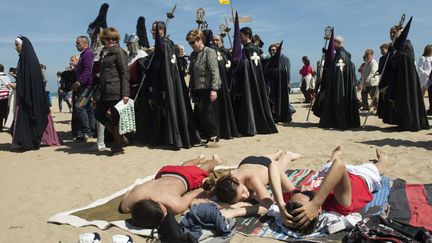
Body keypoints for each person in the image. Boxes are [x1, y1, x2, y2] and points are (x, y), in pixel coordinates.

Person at [269, 146, 387, 231]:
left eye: (300, 190)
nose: (303, 187)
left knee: (328, 166)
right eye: (308, 194)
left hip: (327, 172)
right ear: (318, 209)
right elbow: (340, 166)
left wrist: (280, 205)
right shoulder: (338, 205)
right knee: (379, 168)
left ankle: (333, 156)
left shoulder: (297, 198)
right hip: (361, 176)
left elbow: (273, 165)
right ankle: (383, 159)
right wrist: (315, 203)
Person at [141, 21, 200, 148]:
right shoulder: (167, 44)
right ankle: (164, 137)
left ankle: (172, 138)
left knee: (167, 109)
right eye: (152, 30)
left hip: (165, 84)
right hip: (164, 84)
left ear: (162, 30)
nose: (153, 32)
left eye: (155, 29)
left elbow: (164, 67)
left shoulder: (164, 44)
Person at [120, 155, 221, 229]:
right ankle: (198, 159)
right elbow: (128, 193)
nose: (165, 214)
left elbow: (195, 193)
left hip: (184, 178)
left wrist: (206, 187)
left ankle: (215, 161)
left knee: (202, 169)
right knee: (184, 168)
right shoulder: (126, 205)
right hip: (164, 172)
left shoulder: (174, 204)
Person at [204, 150, 303, 218]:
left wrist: (235, 211)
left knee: (281, 164)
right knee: (264, 157)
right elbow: (209, 192)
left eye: (242, 191)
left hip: (265, 165)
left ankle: (287, 155)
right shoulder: (224, 181)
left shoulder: (251, 177)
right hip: (247, 161)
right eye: (241, 198)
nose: (245, 196)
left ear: (238, 182)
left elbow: (267, 203)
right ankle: (276, 153)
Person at [378, 19, 429, 131]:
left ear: (400, 32)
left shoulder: (406, 44)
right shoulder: (394, 45)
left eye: (394, 32)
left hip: (407, 80)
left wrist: (395, 52)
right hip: (397, 79)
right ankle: (400, 122)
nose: (392, 34)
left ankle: (410, 123)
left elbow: (408, 59)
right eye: (390, 32)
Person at [230, 24, 277, 136]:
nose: (239, 39)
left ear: (247, 36)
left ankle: (251, 127)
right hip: (254, 81)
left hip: (250, 82)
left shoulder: (248, 50)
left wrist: (238, 62)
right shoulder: (255, 49)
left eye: (241, 36)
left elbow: (246, 66)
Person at [93, 27, 130, 156]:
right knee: (98, 114)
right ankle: (120, 137)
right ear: (104, 39)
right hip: (104, 90)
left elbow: (125, 73)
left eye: (114, 38)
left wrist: (125, 93)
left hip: (116, 90)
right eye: (108, 38)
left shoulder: (119, 52)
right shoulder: (103, 52)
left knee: (116, 119)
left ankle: (118, 147)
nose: (111, 41)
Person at [11, 36, 50, 150]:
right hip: (24, 94)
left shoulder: (29, 60)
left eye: (17, 45)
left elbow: (31, 79)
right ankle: (25, 142)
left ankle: (29, 142)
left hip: (29, 95)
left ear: (23, 46)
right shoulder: (23, 59)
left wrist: (20, 86)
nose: (15, 47)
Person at [187, 29, 221, 146]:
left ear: (200, 39)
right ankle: (206, 135)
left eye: (192, 42)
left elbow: (215, 71)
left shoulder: (209, 52)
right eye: (189, 43)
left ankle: (213, 137)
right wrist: (191, 88)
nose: (191, 45)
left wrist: (214, 89)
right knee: (200, 113)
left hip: (208, 88)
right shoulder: (193, 55)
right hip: (197, 89)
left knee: (208, 113)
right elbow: (192, 74)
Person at [318, 35, 360, 129]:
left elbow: (335, 71)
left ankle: (339, 122)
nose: (332, 45)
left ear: (339, 43)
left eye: (334, 43)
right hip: (345, 85)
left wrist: (326, 72)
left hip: (339, 86)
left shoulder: (340, 55)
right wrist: (328, 54)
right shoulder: (344, 54)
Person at [73, 36, 95, 142]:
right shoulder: (84, 54)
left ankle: (87, 132)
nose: (76, 45)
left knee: (79, 106)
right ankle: (92, 130)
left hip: (87, 86)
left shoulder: (88, 54)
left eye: (78, 43)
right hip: (84, 86)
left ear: (85, 43)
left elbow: (88, 70)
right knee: (88, 108)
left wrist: (79, 81)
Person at [264, 42, 293, 124]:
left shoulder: (283, 60)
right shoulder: (268, 61)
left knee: (281, 101)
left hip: (280, 84)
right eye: (270, 50)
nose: (272, 51)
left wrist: (288, 82)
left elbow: (286, 72)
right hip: (270, 85)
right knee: (272, 102)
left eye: (273, 50)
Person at [417, 45, 432, 114]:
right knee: (421, 95)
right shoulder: (423, 58)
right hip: (425, 79)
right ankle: (419, 108)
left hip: (431, 79)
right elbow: (419, 68)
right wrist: (427, 74)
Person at [0, 64, 12, 131]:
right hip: (6, 96)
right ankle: (3, 126)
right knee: (4, 111)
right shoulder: (7, 77)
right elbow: (10, 87)